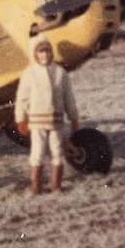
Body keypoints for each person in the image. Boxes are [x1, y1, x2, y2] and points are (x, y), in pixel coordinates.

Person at [14, 34, 79, 194]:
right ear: (35, 54)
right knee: (38, 152)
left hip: (56, 121)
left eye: (48, 51)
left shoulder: (60, 73)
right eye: (41, 52)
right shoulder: (29, 73)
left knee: (57, 152)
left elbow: (68, 96)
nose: (45, 55)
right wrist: (21, 119)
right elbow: (22, 99)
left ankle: (56, 185)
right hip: (37, 121)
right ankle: (36, 185)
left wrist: (73, 116)